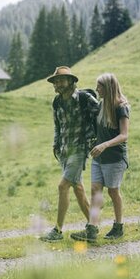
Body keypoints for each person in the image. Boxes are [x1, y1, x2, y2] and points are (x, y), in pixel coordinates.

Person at [40, 66, 99, 242]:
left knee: (63, 186)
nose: (57, 84)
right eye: (55, 81)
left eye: (60, 80)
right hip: (64, 151)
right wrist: (55, 145)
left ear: (71, 81)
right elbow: (57, 126)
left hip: (79, 149)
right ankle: (92, 228)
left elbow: (102, 116)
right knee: (78, 189)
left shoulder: (84, 98)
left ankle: (57, 231)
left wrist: (96, 140)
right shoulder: (56, 102)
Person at [71, 73, 129, 243]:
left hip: (114, 158)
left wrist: (104, 145)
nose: (97, 90)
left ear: (108, 87)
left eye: (99, 86)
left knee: (113, 192)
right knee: (96, 190)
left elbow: (124, 135)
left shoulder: (121, 107)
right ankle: (92, 229)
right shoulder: (101, 105)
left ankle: (118, 226)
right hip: (99, 158)